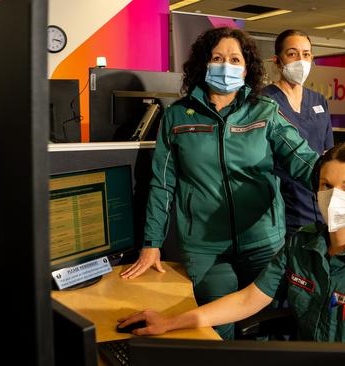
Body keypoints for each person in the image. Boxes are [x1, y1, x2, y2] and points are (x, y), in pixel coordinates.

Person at [119, 27, 319, 340]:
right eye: (218, 58)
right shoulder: (177, 117)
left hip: (263, 242)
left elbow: (302, 159)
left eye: (235, 59)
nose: (227, 65)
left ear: (247, 67)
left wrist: (338, 182)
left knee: (263, 330)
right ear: (203, 64)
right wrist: (151, 243)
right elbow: (161, 183)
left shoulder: (264, 111)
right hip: (206, 249)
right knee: (214, 332)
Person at [117, 142, 345, 343]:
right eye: (327, 186)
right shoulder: (302, 243)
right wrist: (170, 323)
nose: (336, 196)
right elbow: (249, 299)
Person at [263, 29, 334, 238]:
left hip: (317, 203)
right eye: (292, 54)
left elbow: (327, 152)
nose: (301, 60)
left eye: (306, 54)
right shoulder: (264, 102)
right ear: (277, 60)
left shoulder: (319, 101)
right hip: (280, 206)